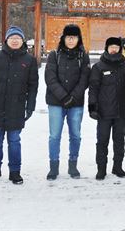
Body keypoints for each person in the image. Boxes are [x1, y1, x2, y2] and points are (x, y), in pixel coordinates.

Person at [0, 26, 38, 185]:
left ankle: (15, 172)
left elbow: (33, 86)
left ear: (22, 40)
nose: (15, 40)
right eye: (12, 38)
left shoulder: (29, 60)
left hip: (16, 106)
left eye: (18, 38)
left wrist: (30, 106)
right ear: (6, 40)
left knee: (14, 140)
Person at [44, 24, 90, 180]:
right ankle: (54, 167)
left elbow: (85, 79)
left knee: (75, 135)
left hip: (75, 104)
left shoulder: (83, 56)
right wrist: (64, 97)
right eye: (68, 37)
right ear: (63, 38)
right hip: (56, 102)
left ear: (79, 39)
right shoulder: (54, 55)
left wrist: (73, 97)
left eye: (74, 37)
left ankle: (73, 165)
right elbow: (50, 78)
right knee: (54, 136)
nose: (71, 40)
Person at [89, 37, 125, 180]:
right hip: (103, 112)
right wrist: (92, 108)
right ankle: (101, 169)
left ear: (120, 49)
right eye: (111, 46)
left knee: (119, 140)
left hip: (121, 111)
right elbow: (93, 88)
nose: (114, 49)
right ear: (106, 48)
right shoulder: (98, 67)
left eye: (116, 47)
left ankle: (117, 167)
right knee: (102, 141)